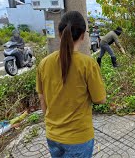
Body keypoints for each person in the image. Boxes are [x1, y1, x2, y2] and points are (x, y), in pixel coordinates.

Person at [36, 11, 106, 158]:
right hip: (79, 137)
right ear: (82, 35)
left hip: (52, 135)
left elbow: (42, 98)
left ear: (59, 34)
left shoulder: (44, 63)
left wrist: (51, 124)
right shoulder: (88, 64)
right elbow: (100, 99)